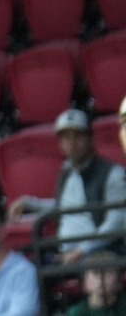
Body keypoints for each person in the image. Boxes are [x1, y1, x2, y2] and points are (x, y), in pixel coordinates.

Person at [10, 109, 126, 262]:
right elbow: (64, 207)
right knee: (19, 265)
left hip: (97, 252)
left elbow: (118, 221)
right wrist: (29, 203)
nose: (72, 143)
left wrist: (82, 250)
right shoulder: (67, 171)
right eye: (65, 137)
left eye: (78, 136)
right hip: (63, 251)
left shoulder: (114, 174)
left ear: (90, 138)